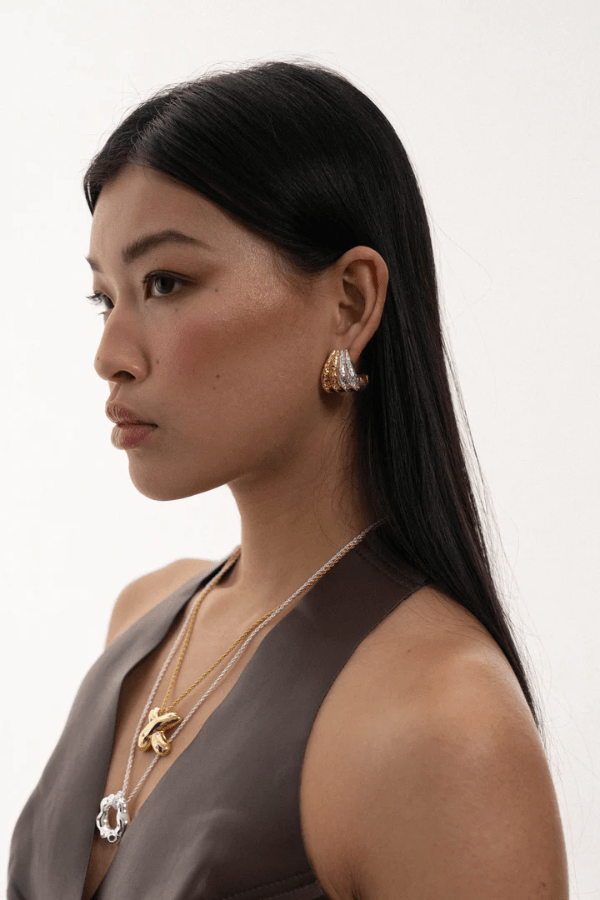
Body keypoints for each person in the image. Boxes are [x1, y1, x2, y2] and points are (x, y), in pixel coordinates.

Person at [8, 60, 568, 900]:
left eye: (166, 283)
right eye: (104, 298)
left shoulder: (442, 719)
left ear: (350, 303)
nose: (111, 355)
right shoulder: (146, 622)